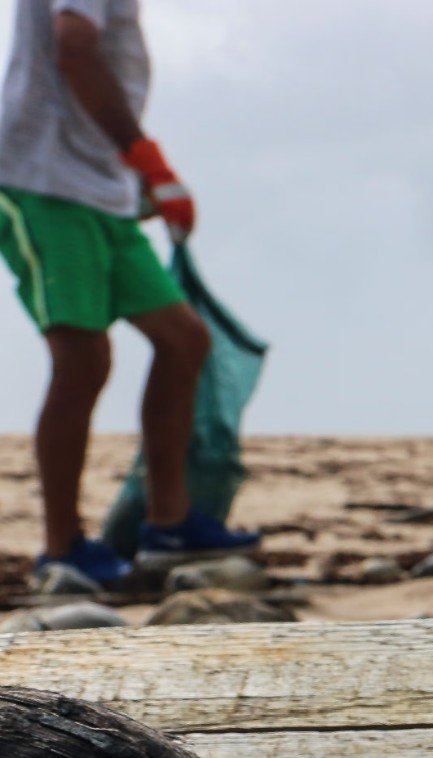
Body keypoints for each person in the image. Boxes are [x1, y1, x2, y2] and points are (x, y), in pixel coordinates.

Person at [0, 0, 259, 587]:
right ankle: (61, 548)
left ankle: (170, 523)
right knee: (83, 358)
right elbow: (74, 44)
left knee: (185, 338)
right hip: (38, 178)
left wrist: (134, 176)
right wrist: (149, 158)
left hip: (101, 187)